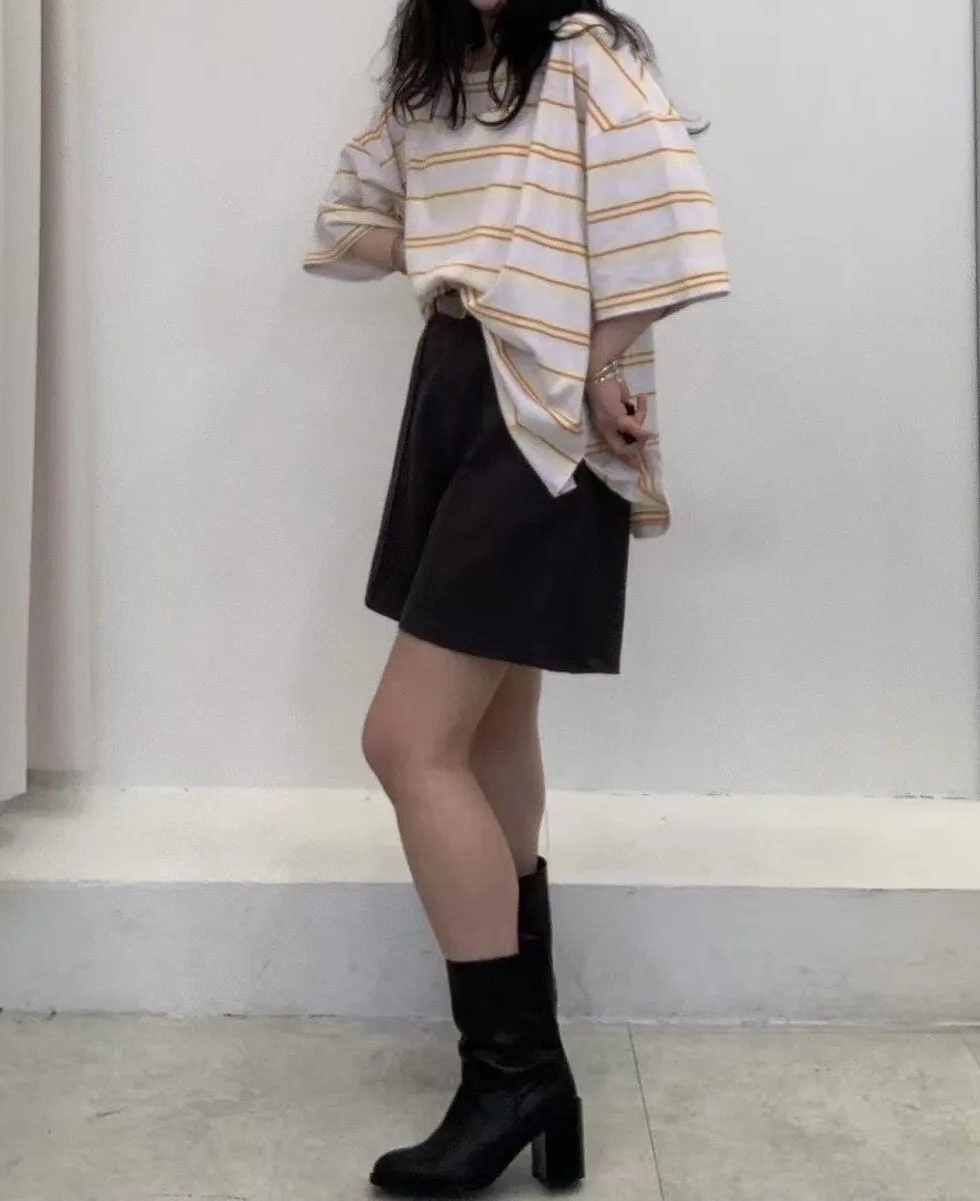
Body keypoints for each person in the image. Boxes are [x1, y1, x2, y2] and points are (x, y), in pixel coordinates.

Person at [304, 0, 728, 1193]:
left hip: (539, 408)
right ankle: (535, 1077)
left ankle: (512, 1075)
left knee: (404, 740)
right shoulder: (443, 74)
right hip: (453, 384)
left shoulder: (585, 54)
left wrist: (597, 359)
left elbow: (675, 220)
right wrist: (458, 249)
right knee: (489, 729)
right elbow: (357, 214)